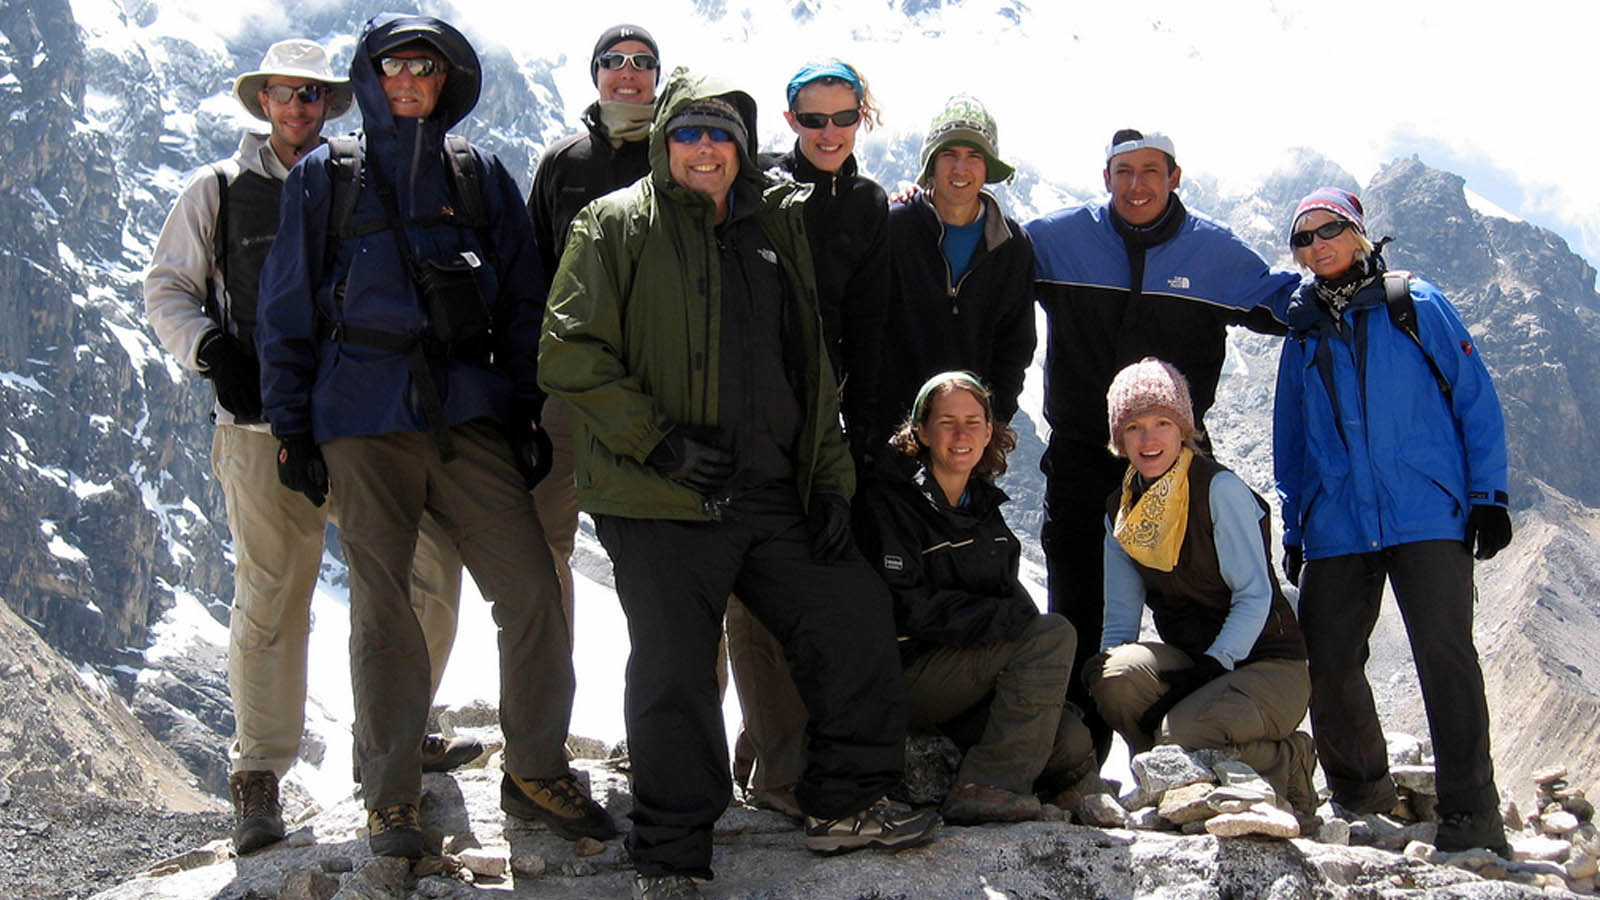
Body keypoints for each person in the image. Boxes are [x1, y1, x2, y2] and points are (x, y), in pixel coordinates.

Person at [538, 66, 942, 900]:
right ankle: (674, 855)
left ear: (744, 146)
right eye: (687, 132)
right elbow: (569, 350)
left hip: (771, 491)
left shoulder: (773, 228)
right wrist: (659, 444)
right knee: (674, 670)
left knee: (852, 610)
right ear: (662, 142)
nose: (705, 148)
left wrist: (830, 483)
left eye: (721, 133)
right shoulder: (613, 225)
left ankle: (847, 801)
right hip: (660, 496)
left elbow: (810, 362)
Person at [255, 14, 611, 858]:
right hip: (362, 419)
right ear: (370, 77)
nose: (408, 80)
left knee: (530, 587)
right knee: (384, 612)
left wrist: (525, 408)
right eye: (392, 67)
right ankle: (392, 799)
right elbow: (286, 311)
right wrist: (292, 430)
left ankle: (534, 768)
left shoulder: (480, 176)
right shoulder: (325, 178)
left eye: (425, 66)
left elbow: (527, 303)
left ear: (445, 80)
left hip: (468, 412)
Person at [141, 38, 477, 856]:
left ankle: (392, 738)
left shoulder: (357, 177)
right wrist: (214, 352)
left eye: (314, 95)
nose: (300, 108)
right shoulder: (216, 192)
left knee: (427, 574)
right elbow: (168, 290)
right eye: (285, 95)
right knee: (273, 595)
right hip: (259, 430)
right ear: (263, 102)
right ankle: (259, 774)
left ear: (332, 103)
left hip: (365, 423)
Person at [1026, 129, 1300, 759]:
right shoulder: (1060, 239)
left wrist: (1359, 280)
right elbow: (987, 253)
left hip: (1170, 464)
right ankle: (1078, 768)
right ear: (1106, 178)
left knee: (1193, 597)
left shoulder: (1214, 252)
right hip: (1080, 457)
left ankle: (1206, 735)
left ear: (1176, 176)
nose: (1137, 184)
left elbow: (1292, 307)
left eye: (1152, 170)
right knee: (1076, 609)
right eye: (1124, 171)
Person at [1274, 187, 1513, 853]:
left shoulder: (1416, 305)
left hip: (1424, 512)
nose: (1317, 245)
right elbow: (1290, 443)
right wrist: (1297, 529)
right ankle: (1360, 796)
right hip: (1339, 523)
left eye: (1329, 231)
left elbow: (1475, 398)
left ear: (1357, 232)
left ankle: (1471, 816)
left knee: (1445, 656)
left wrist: (1489, 496)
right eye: (1303, 238)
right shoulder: (1302, 332)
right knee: (1326, 659)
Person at [729, 57, 890, 818]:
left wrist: (858, 439)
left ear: (865, 118)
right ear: (789, 121)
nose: (830, 133)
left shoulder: (868, 205)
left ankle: (774, 752)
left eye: (844, 118)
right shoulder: (751, 184)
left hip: (827, 423)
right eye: (813, 119)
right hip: (754, 412)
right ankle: (775, 769)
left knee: (813, 590)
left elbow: (868, 325)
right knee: (756, 592)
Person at [1086, 358, 1317, 827]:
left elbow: (1253, 596)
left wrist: (1215, 664)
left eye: (1162, 423)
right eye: (1134, 427)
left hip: (1269, 665)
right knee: (1117, 677)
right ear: (1119, 438)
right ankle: (1167, 777)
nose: (1149, 440)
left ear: (1183, 429)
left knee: (1181, 732)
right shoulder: (1122, 512)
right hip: (1197, 666)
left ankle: (1287, 762)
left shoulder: (1219, 489)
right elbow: (1120, 621)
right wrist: (1106, 680)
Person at [855, 371, 1095, 824]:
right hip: (906, 676)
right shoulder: (890, 506)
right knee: (1054, 632)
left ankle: (1025, 783)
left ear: (990, 432)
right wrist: (1000, 626)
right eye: (947, 422)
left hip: (965, 680)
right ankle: (989, 787)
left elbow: (1015, 607)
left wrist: (1006, 641)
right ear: (921, 432)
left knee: (1070, 739)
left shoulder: (986, 513)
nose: (961, 434)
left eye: (973, 421)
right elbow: (906, 607)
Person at [525, 23, 661, 645]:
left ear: (657, 77)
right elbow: (531, 276)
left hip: (658, 387)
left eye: (642, 61)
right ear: (597, 73)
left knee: (669, 551)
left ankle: (680, 741)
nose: (627, 71)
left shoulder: (681, 154)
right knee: (541, 547)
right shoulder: (562, 163)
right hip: (569, 390)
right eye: (614, 60)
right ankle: (542, 734)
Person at [880, 94, 1035, 436]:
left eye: (974, 156)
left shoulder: (1011, 246)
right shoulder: (893, 229)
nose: (961, 169)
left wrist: (993, 421)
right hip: (890, 434)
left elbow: (1016, 346)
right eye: (949, 154)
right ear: (931, 164)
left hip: (969, 441)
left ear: (988, 167)